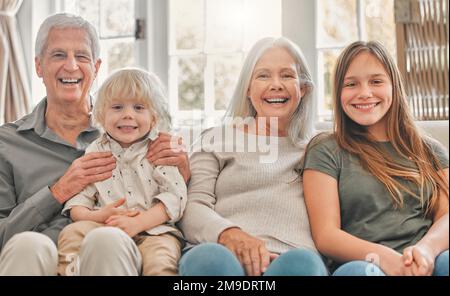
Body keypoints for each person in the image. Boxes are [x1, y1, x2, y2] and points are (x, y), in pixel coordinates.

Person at [0, 13, 189, 276]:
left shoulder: (134, 133)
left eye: (81, 56)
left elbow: (176, 198)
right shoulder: (6, 143)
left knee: (106, 241)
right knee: (26, 246)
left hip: (116, 249)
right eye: (58, 55)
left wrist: (184, 169)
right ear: (39, 66)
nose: (71, 66)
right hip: (34, 257)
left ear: (96, 67)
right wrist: (56, 192)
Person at [178, 37, 328, 276]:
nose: (276, 84)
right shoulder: (216, 139)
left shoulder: (321, 147)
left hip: (292, 260)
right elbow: (192, 208)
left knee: (303, 264)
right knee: (207, 259)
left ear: (304, 88)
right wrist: (230, 235)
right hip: (224, 255)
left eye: (287, 75)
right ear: (247, 89)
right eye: (263, 75)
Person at [302, 41, 449, 276]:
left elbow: (447, 216)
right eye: (351, 84)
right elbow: (326, 235)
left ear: (394, 86)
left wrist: (426, 251)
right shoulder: (326, 149)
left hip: (425, 261)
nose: (364, 93)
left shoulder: (430, 151)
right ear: (339, 92)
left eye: (376, 81)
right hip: (362, 265)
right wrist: (387, 259)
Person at [57, 68, 187, 276]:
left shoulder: (161, 149)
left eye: (138, 107)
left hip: (154, 231)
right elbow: (77, 204)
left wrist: (138, 222)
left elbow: (175, 197)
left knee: (161, 261)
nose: (128, 114)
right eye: (117, 107)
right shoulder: (95, 152)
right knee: (71, 233)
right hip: (103, 227)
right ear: (101, 115)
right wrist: (99, 215)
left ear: (153, 118)